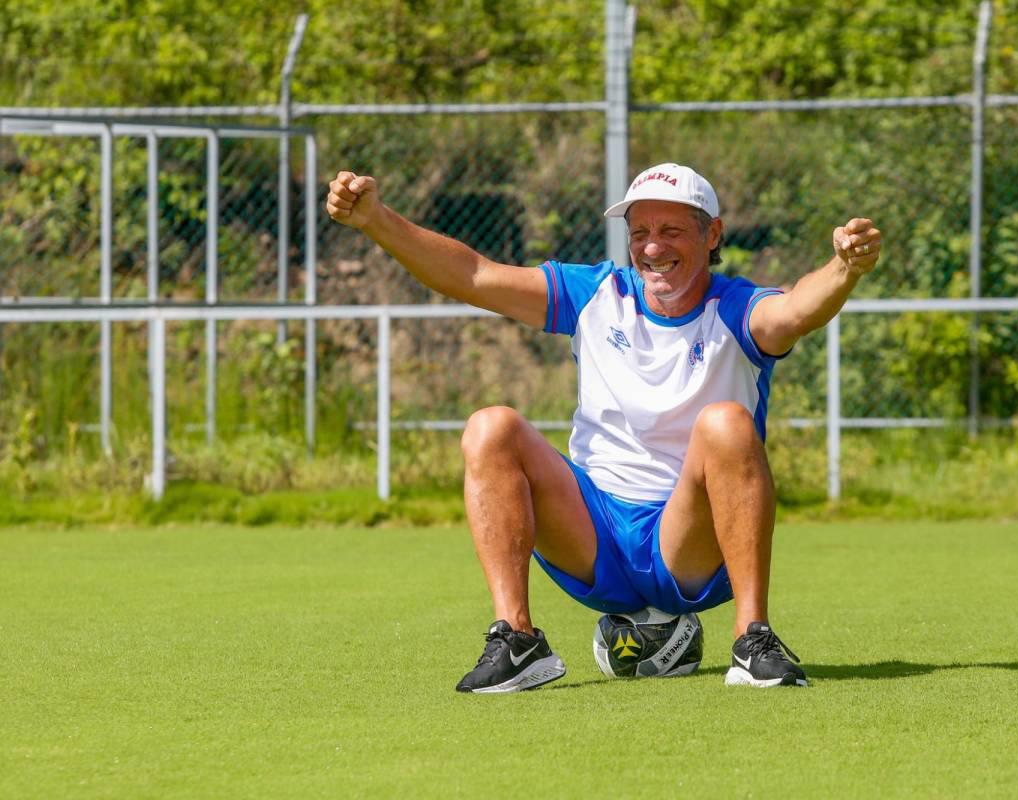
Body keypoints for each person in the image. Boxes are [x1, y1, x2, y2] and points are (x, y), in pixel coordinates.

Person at [326, 162, 881, 693]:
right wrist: (376, 219)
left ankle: (751, 638)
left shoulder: (736, 308)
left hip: (689, 546)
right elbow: (473, 275)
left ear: (712, 234)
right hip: (593, 541)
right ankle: (518, 640)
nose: (653, 247)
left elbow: (795, 311)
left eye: (670, 230)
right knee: (490, 427)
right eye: (639, 231)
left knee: (727, 423)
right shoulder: (595, 293)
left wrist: (844, 268)